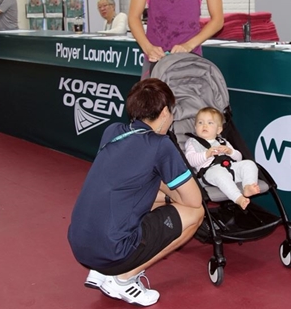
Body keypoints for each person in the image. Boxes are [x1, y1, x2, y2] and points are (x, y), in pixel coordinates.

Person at [68, 78, 204, 307]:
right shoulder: (161, 145)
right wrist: (172, 194)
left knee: (148, 199)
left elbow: (133, 179)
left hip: (80, 244)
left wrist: (165, 193)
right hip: (113, 250)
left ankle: (102, 271)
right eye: (172, 111)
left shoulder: (113, 131)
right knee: (195, 214)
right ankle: (122, 279)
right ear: (163, 112)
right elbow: (194, 200)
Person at [184, 107, 260, 210]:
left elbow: (238, 158)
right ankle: (238, 198)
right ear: (195, 127)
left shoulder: (223, 141)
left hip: (231, 168)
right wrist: (206, 154)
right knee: (219, 173)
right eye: (200, 122)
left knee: (249, 164)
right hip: (210, 173)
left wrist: (230, 151)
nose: (204, 125)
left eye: (210, 123)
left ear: (219, 130)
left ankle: (248, 186)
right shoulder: (192, 142)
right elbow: (190, 160)